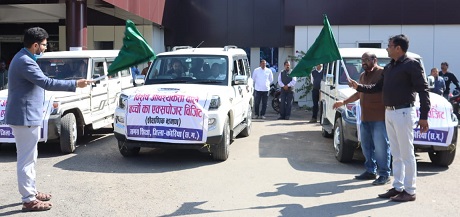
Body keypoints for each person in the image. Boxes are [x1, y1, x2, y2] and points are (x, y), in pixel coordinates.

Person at [6, 27, 92, 212]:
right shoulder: (25, 62)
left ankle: (31, 191)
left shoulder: (23, 58)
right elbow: (47, 82)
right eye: (44, 45)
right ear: (35, 45)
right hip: (25, 117)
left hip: (26, 116)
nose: (46, 48)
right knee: (27, 160)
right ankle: (28, 200)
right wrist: (75, 83)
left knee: (30, 157)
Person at [350, 34, 430, 202]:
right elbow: (376, 87)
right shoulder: (390, 67)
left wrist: (424, 117)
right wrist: (360, 87)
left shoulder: (411, 65)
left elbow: (423, 91)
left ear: (398, 48)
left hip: (404, 112)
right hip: (390, 113)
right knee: (396, 152)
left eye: (389, 45)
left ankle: (410, 190)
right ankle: (398, 186)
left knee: (406, 153)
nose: (387, 48)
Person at [333, 52, 391, 186]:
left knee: (381, 147)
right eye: (362, 60)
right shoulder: (362, 76)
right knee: (366, 147)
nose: (363, 62)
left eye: (366, 59)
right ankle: (370, 170)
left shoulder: (382, 73)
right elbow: (359, 93)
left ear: (374, 60)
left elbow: (374, 88)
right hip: (365, 117)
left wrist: (358, 86)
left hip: (379, 118)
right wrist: (344, 102)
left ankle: (384, 174)